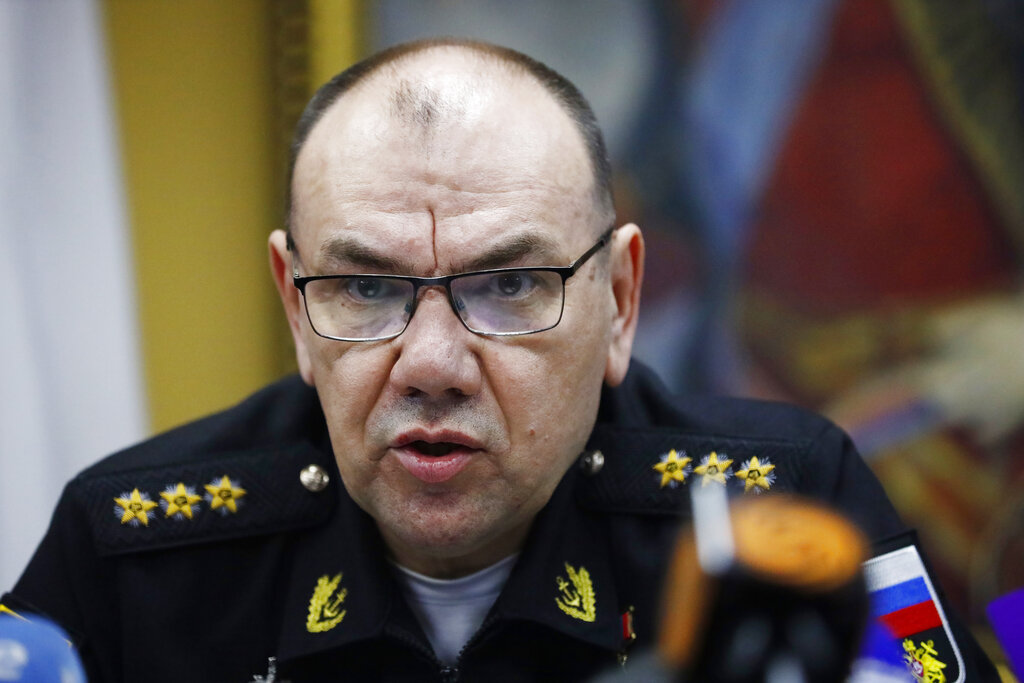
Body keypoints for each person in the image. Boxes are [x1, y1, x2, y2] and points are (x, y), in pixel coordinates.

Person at [1, 39, 998, 682]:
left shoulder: (785, 505)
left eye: (511, 283)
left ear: (618, 302)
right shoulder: (132, 547)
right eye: (365, 287)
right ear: (293, 306)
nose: (432, 362)